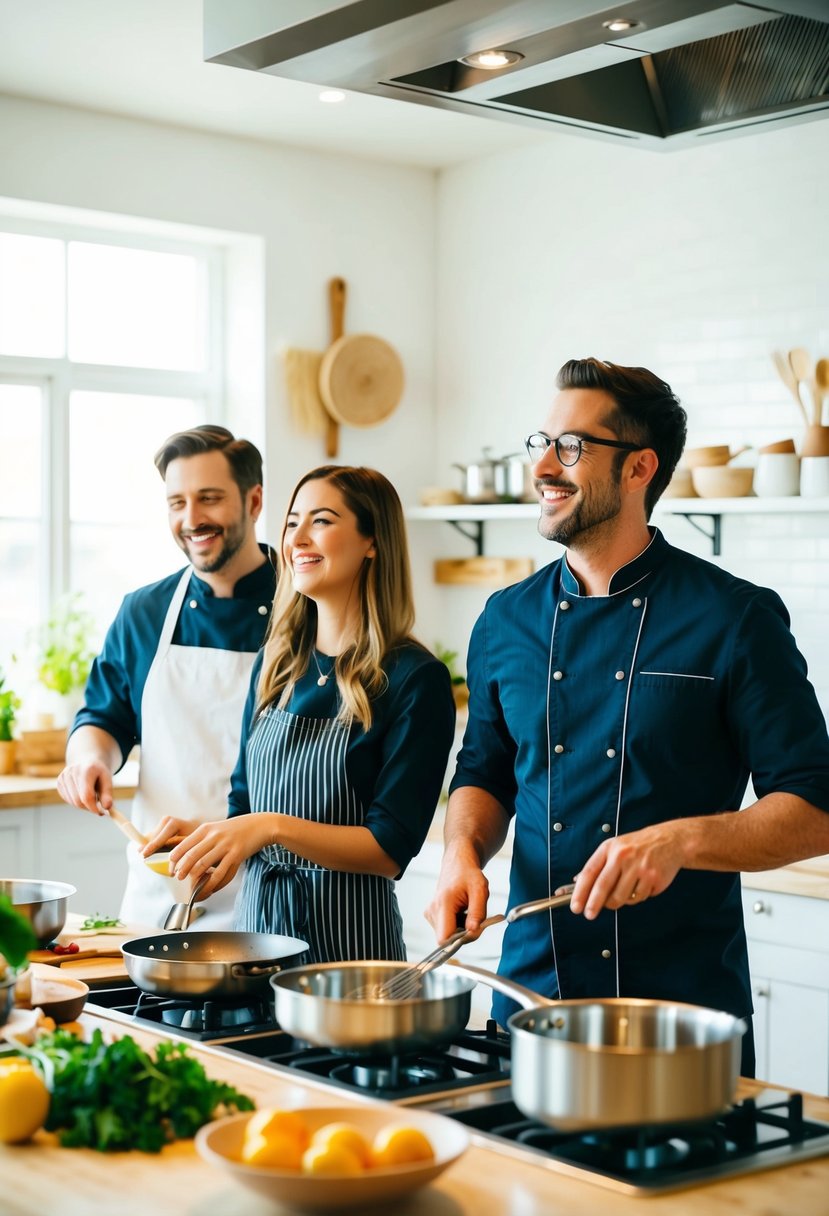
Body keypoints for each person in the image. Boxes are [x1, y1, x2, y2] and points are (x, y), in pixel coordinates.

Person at [425, 357, 829, 1077]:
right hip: (527, 999)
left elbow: (815, 807)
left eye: (571, 447)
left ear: (639, 467)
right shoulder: (504, 619)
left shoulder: (733, 618)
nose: (543, 466)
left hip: (679, 1020)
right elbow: (483, 771)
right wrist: (462, 852)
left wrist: (678, 842)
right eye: (540, 443)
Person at [142, 465, 456, 963]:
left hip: (350, 957)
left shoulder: (414, 679)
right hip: (255, 942)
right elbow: (244, 804)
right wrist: (213, 838)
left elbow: (390, 847)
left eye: (322, 521)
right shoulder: (276, 664)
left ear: (372, 541)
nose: (298, 538)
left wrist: (269, 828)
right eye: (291, 523)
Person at [56, 424, 276, 929]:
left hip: (268, 891)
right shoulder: (144, 611)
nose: (191, 519)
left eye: (209, 498)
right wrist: (90, 759)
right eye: (176, 502)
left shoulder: (306, 608)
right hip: (162, 893)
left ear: (254, 500)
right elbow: (104, 716)